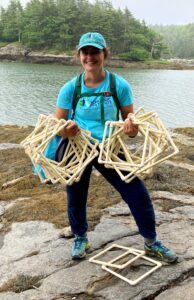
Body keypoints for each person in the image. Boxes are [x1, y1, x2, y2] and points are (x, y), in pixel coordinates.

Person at [55, 32, 177, 263]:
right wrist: (67, 130)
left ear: (104, 54)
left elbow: (130, 125)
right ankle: (80, 237)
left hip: (110, 148)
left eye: (95, 52)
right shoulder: (70, 88)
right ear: (79, 55)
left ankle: (151, 243)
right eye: (85, 52)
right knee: (76, 195)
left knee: (137, 193)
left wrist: (131, 130)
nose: (90, 57)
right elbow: (58, 126)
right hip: (79, 148)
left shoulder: (119, 85)